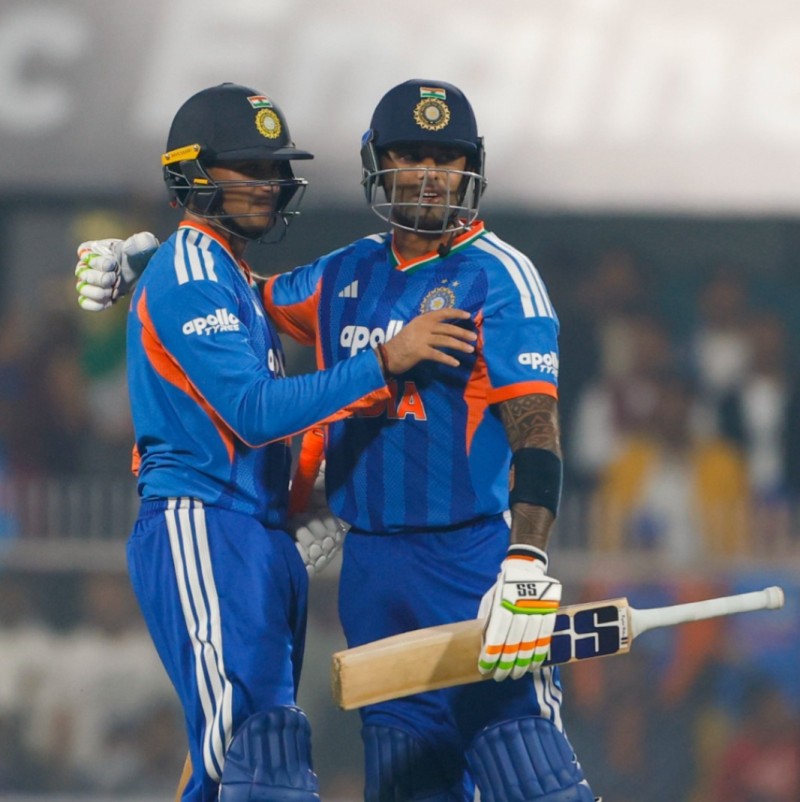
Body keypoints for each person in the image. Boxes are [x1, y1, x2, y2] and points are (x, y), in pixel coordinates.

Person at [75, 79, 598, 801]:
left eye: (446, 158)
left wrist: (527, 560)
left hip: (471, 562)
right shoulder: (344, 272)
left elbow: (537, 428)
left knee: (528, 768)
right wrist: (156, 261)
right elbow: (242, 295)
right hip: (373, 571)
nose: (429, 174)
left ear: (472, 168)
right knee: (400, 775)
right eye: (410, 155)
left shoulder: (503, 277)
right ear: (377, 163)